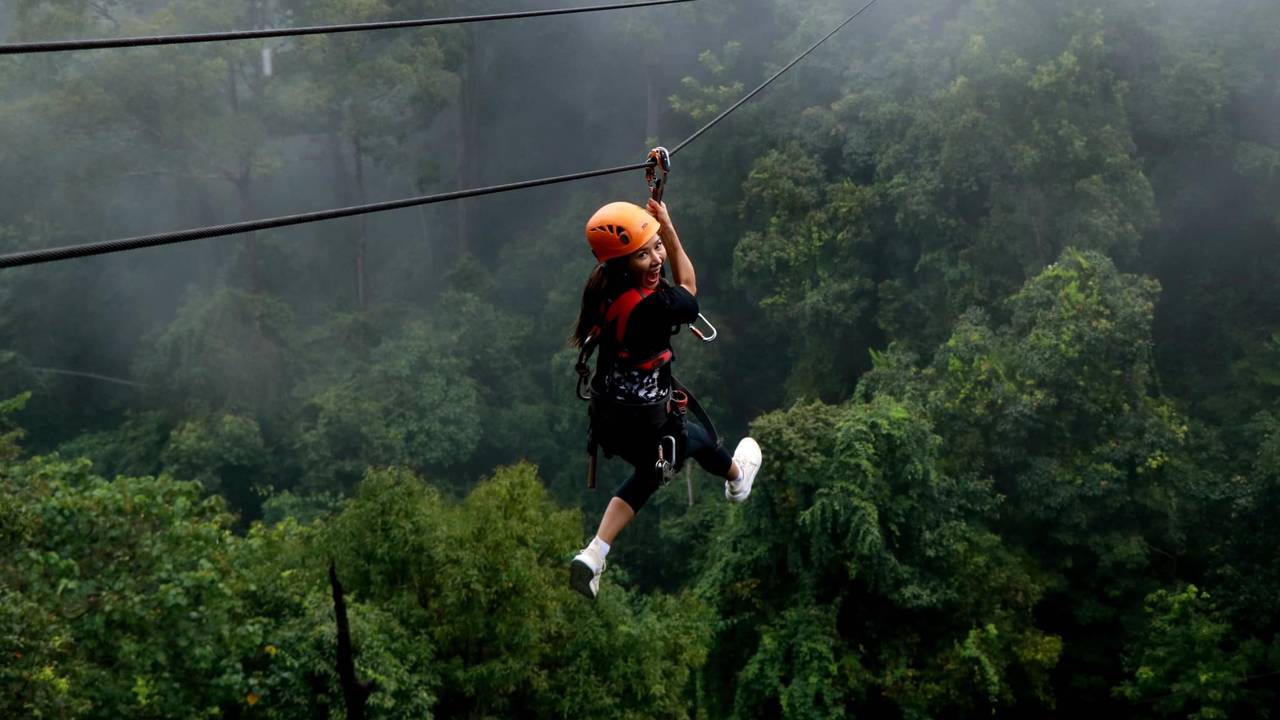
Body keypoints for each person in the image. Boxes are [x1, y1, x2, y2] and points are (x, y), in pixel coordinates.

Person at [568, 198, 763, 600]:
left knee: (658, 466)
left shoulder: (605, 288)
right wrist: (670, 229)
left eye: (657, 246)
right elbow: (689, 289)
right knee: (689, 444)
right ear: (624, 263)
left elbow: (629, 251)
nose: (657, 259)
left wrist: (647, 226)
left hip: (610, 420)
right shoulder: (654, 308)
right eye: (644, 254)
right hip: (649, 424)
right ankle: (738, 479)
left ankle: (595, 553)